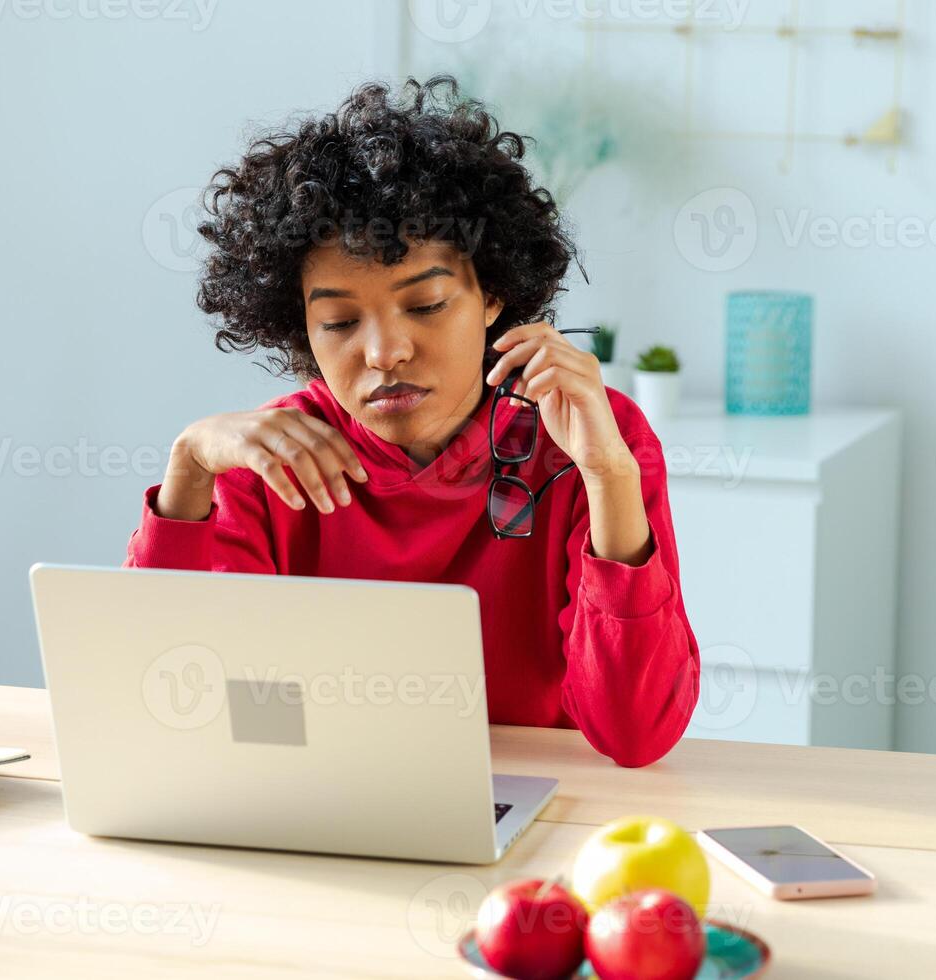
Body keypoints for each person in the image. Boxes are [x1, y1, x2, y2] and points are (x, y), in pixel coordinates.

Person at [124, 76, 698, 768]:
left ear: (495, 297)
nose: (383, 351)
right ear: (299, 328)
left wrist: (608, 475)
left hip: (537, 812)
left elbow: (635, 734)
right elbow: (169, 719)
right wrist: (188, 471)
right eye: (338, 321)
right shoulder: (263, 462)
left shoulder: (586, 434)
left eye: (424, 305)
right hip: (321, 800)